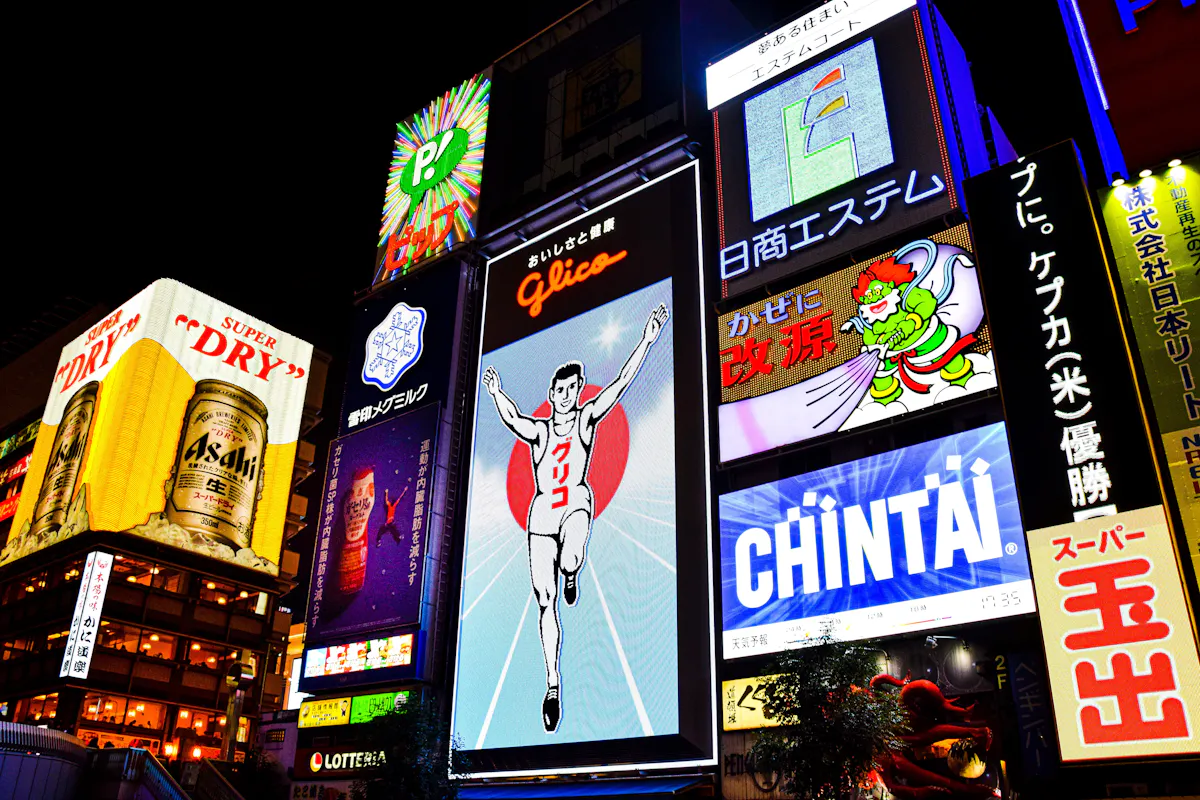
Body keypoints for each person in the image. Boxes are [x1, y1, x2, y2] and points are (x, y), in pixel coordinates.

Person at [481, 302, 668, 733]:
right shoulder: (541, 431)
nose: (566, 396)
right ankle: (552, 684)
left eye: (572, 389)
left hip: (576, 502)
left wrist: (647, 338)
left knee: (573, 548)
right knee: (544, 602)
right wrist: (495, 393)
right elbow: (513, 418)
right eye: (559, 391)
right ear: (551, 395)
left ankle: (572, 571)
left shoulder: (586, 419)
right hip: (543, 513)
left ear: (579, 389)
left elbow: (621, 383)